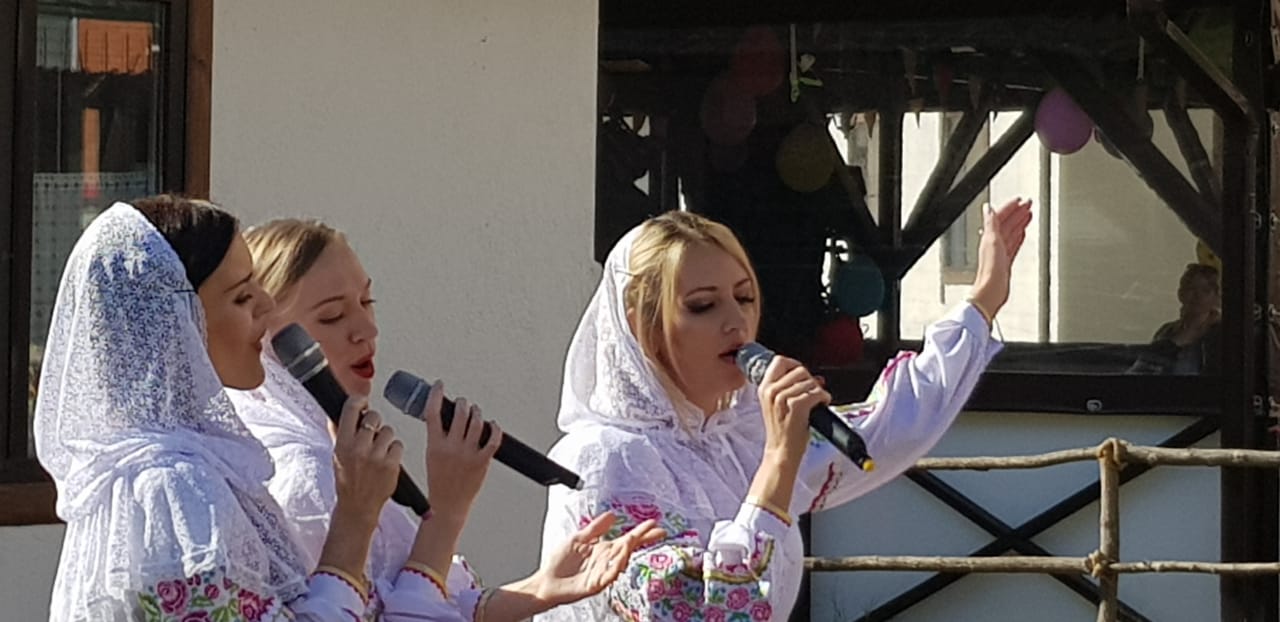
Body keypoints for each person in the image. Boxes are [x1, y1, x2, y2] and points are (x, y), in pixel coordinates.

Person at [535, 199, 1032, 621]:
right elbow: (713, 609)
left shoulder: (735, 435)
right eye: (703, 305)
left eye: (745, 297)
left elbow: (889, 428)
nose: (736, 322)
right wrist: (778, 461)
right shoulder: (604, 459)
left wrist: (982, 302)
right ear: (640, 324)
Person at [229, 218, 664, 621]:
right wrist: (449, 509)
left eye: (366, 302)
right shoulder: (299, 474)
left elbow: (421, 599)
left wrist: (539, 588)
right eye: (332, 316)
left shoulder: (335, 451)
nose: (367, 329)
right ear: (266, 340)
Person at [33, 197, 399, 620]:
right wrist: (355, 515)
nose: (266, 305)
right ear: (176, 325)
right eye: (242, 297)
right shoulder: (173, 489)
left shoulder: (184, 469)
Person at [1128, 263, 1221, 375]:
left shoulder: (1219, 334)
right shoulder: (1166, 330)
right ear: (1180, 293)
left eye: (1206, 290)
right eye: (1191, 288)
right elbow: (1144, 369)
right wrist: (1180, 338)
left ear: (1217, 297)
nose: (1197, 295)